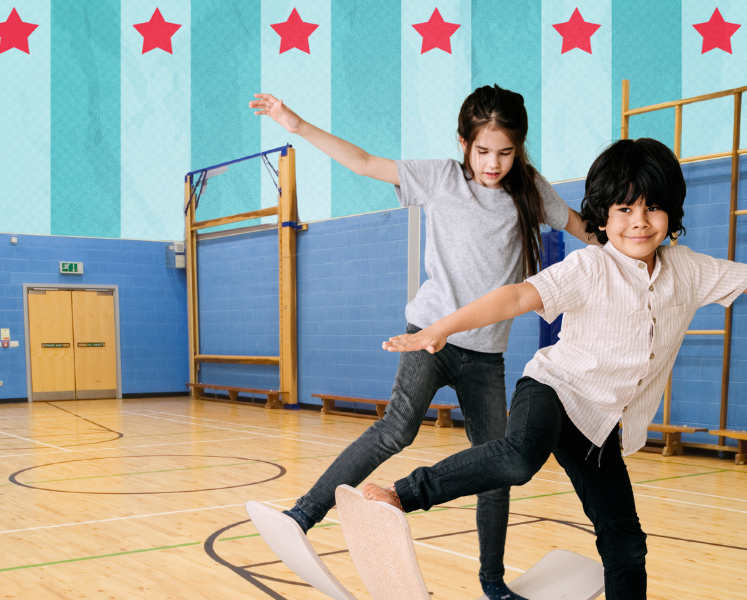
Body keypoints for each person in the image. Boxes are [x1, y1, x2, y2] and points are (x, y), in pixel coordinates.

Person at [364, 138, 747, 599]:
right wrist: (443, 328)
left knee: (626, 543)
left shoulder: (690, 270)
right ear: (602, 217)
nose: (639, 221)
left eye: (653, 208)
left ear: (670, 214)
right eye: (625, 208)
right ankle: (400, 495)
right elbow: (519, 295)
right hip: (552, 389)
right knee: (520, 459)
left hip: (601, 425)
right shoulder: (590, 266)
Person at [249, 85, 595, 600]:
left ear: (519, 148)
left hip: (486, 355)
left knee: (496, 463)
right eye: (482, 151)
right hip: (428, 337)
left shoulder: (531, 191)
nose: (493, 163)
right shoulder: (440, 178)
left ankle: (493, 583)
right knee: (396, 430)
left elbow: (583, 228)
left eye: (505, 152)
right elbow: (365, 162)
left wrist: (641, 245)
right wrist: (297, 126)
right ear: (463, 143)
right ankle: (304, 513)